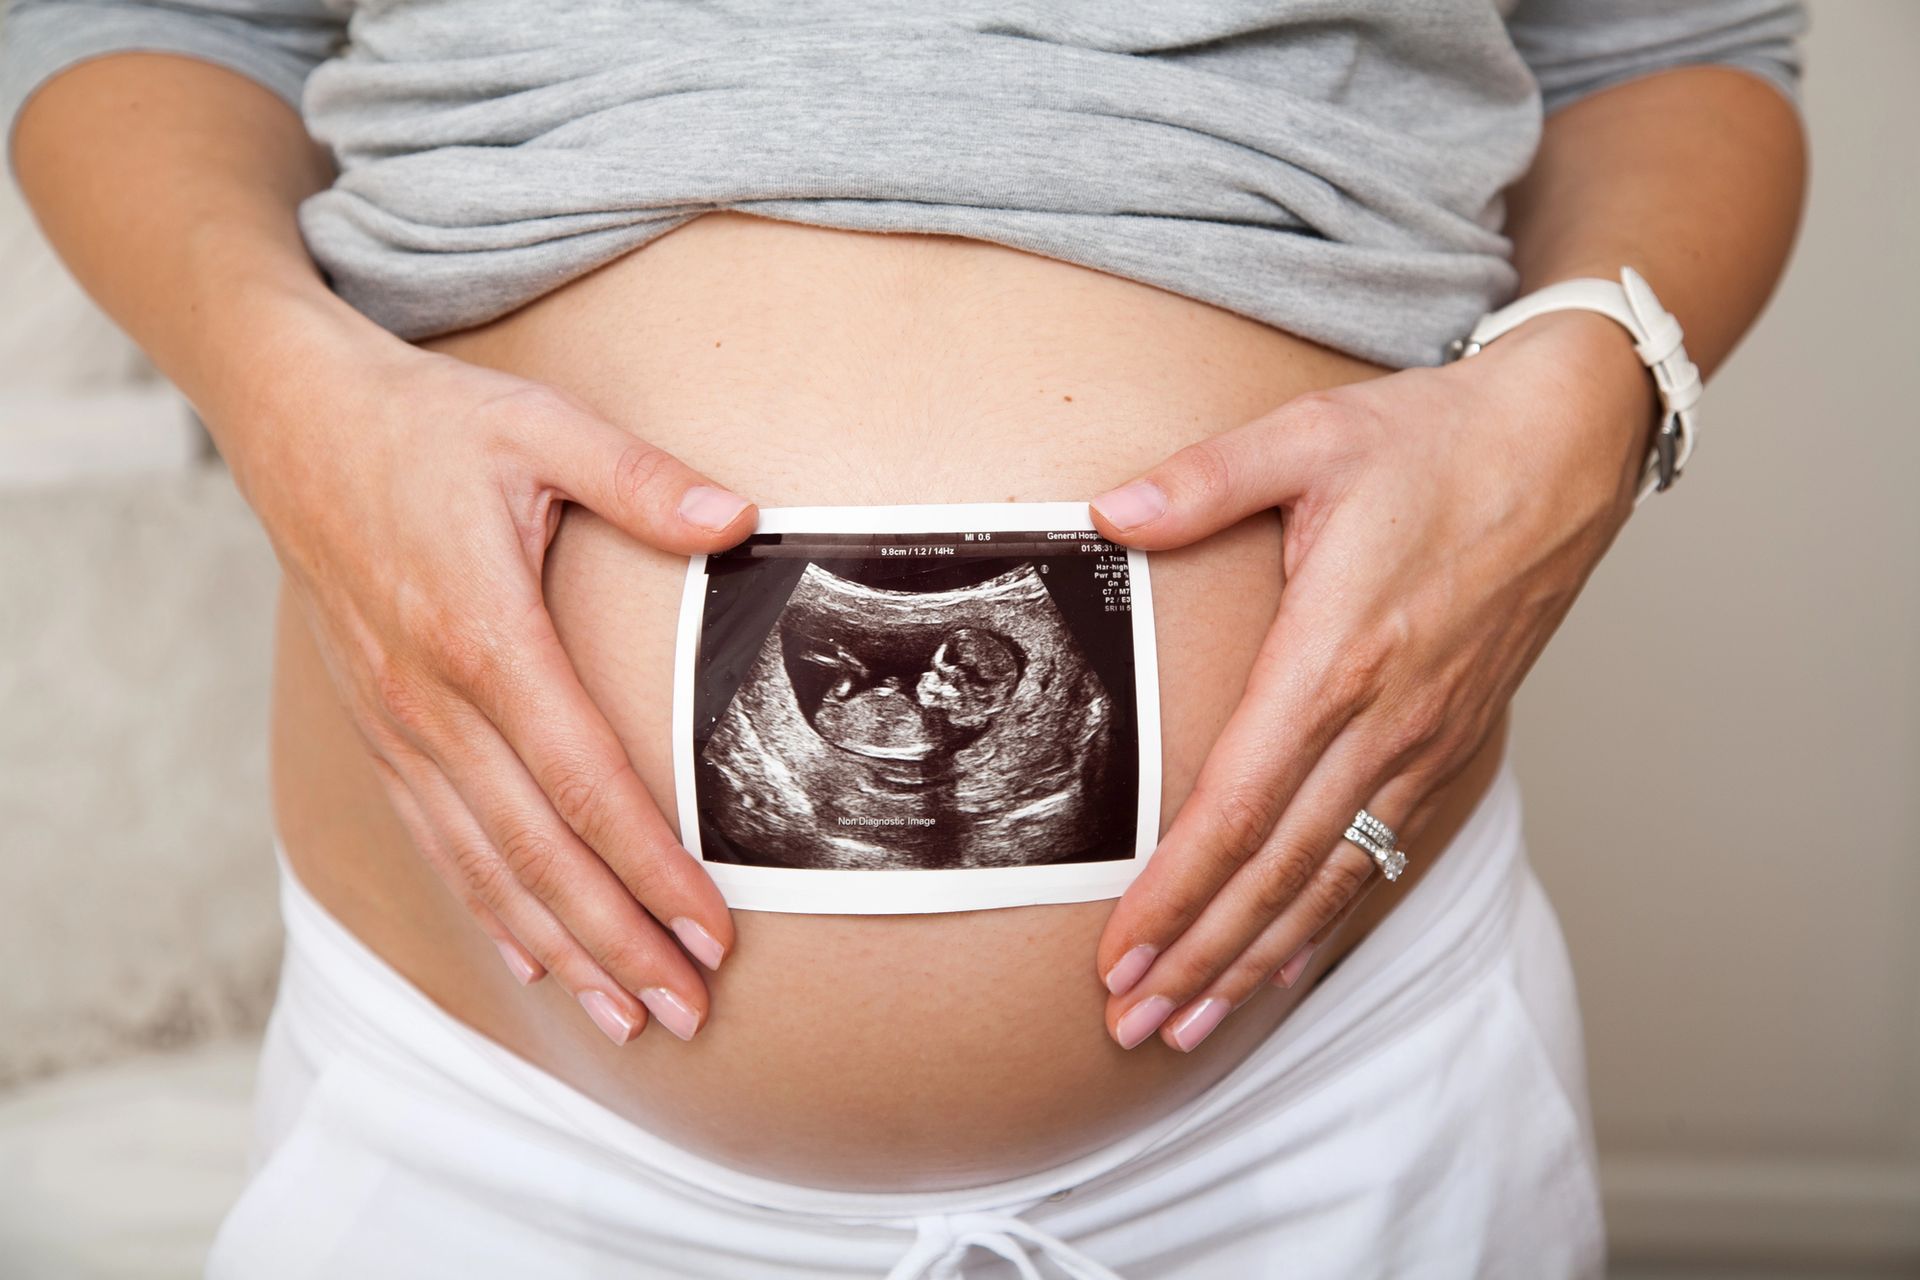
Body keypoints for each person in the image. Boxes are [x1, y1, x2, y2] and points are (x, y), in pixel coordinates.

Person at [2, 2, 1807, 1275]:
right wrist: (274, 387)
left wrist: (1585, 396)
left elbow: (1674, 53)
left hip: (1328, 1110)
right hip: (495, 1118)